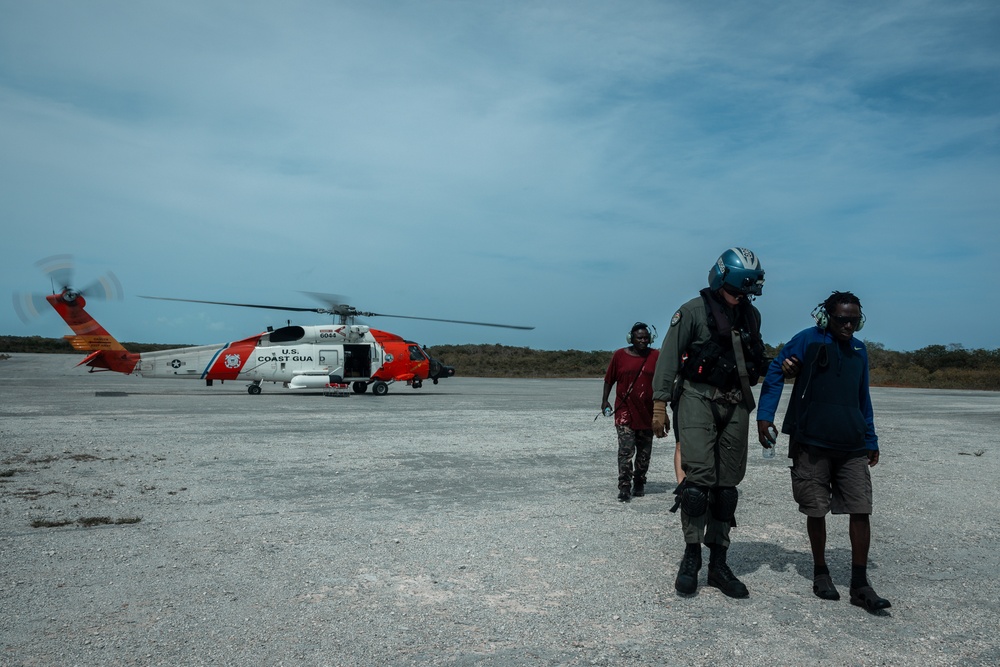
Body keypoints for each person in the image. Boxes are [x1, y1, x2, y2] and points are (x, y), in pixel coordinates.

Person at [756, 291, 891, 613]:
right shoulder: (807, 341)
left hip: (852, 442)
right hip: (811, 441)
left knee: (861, 508)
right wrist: (765, 417)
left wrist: (870, 437)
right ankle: (821, 572)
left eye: (854, 320)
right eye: (842, 319)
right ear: (825, 317)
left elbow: (863, 396)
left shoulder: (860, 349)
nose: (848, 326)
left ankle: (860, 584)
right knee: (816, 508)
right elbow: (776, 372)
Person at [651, 248, 768, 598]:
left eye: (746, 292)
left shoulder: (751, 315)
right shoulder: (691, 312)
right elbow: (669, 358)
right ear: (721, 281)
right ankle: (691, 557)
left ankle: (719, 562)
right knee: (698, 484)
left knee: (727, 487)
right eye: (736, 291)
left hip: (735, 404)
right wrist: (659, 405)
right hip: (697, 399)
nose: (741, 298)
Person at [602, 322, 659, 502]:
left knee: (644, 452)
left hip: (647, 412)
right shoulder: (620, 355)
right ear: (631, 338)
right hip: (624, 411)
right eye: (639, 337)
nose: (643, 340)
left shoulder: (656, 356)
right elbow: (609, 379)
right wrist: (604, 400)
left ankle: (640, 481)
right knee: (626, 450)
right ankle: (624, 485)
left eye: (645, 337)